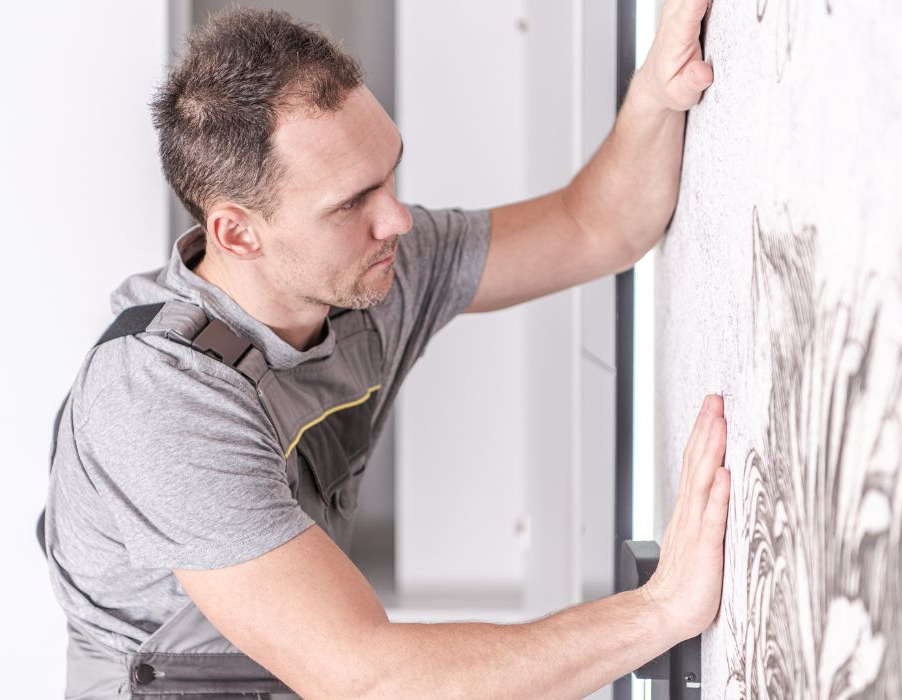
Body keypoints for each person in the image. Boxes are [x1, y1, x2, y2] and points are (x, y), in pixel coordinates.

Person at [43, 2, 730, 698]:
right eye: (350, 203)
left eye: (390, 172)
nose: (397, 218)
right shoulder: (162, 407)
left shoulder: (368, 269)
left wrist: (656, 92)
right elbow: (370, 680)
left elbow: (594, 227)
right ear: (238, 234)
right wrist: (661, 610)